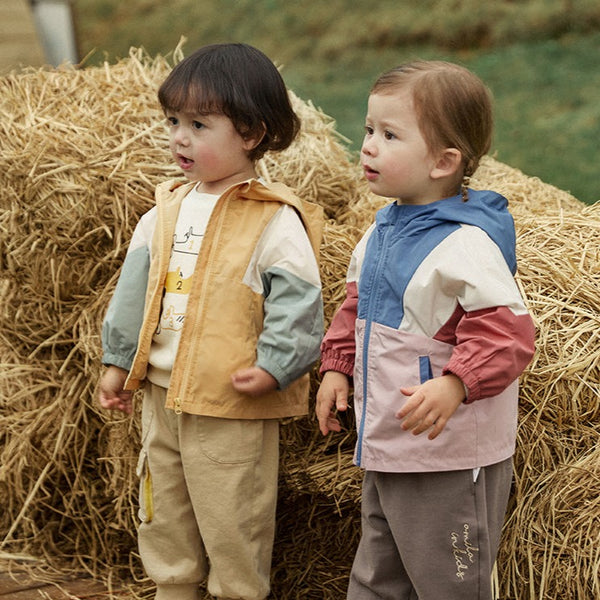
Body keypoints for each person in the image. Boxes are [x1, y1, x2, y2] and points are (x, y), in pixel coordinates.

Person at [98, 43, 324, 600]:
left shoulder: (274, 220)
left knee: (233, 517)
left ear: (250, 133)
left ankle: (237, 592)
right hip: (160, 394)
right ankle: (174, 589)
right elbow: (135, 293)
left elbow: (300, 305)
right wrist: (117, 360)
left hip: (229, 405)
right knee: (163, 509)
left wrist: (275, 366)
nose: (178, 137)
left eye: (198, 124)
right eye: (173, 121)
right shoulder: (165, 211)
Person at [316, 60, 536, 600]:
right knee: (377, 574)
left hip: (447, 455)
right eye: (369, 129)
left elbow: (508, 334)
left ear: (444, 161)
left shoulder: (466, 245)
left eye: (389, 135)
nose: (367, 146)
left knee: (449, 581)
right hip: (390, 443)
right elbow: (355, 307)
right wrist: (337, 368)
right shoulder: (382, 230)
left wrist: (455, 382)